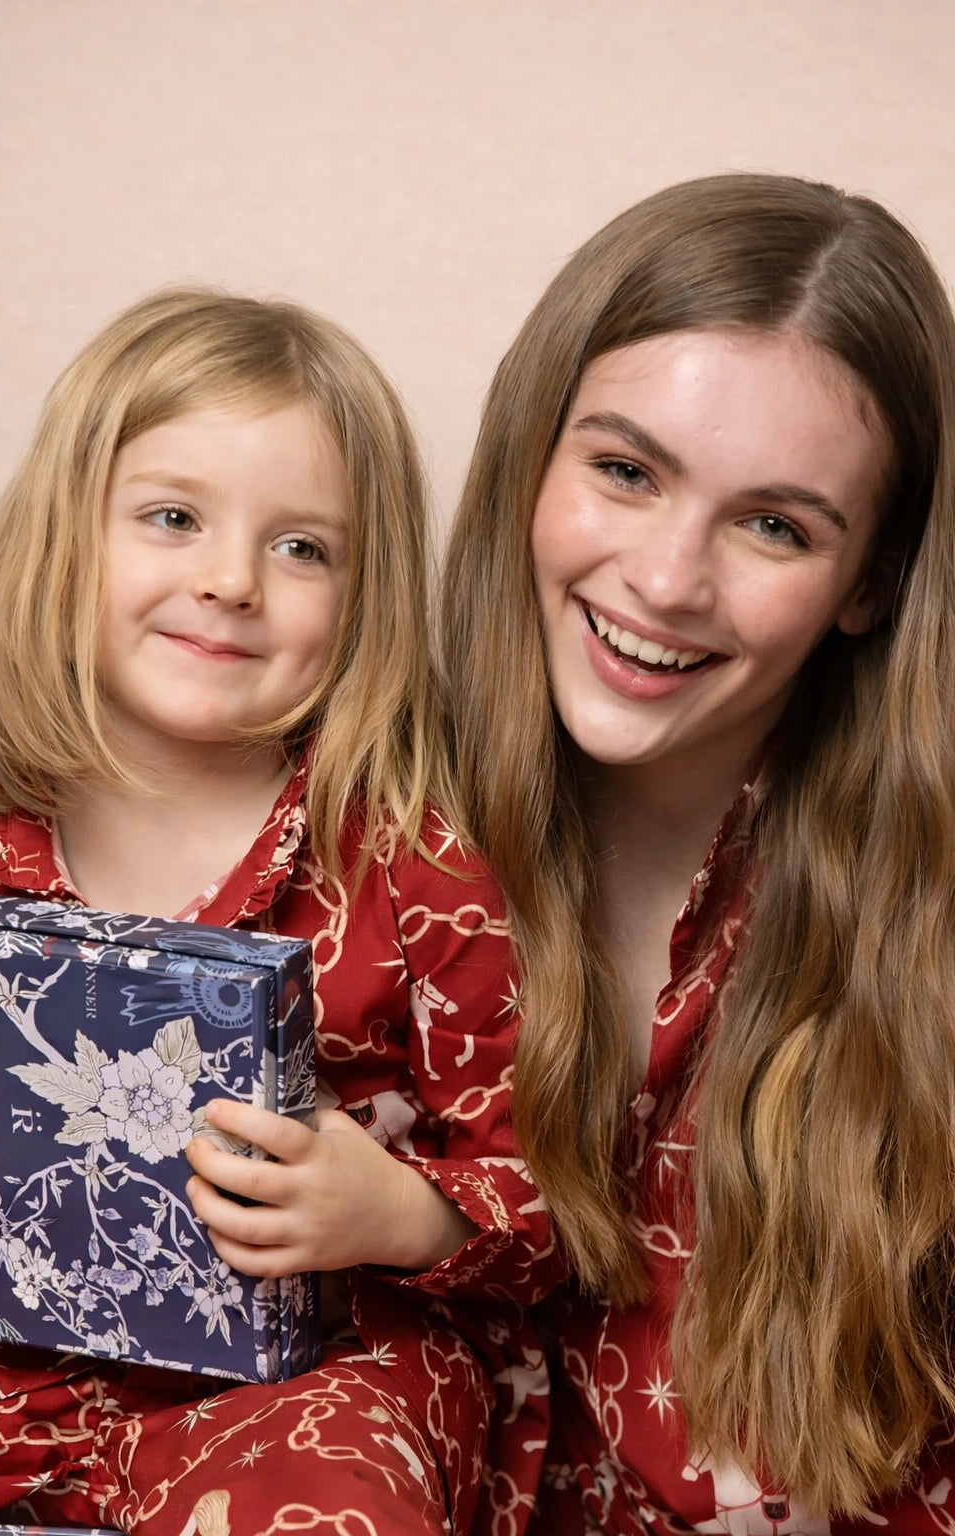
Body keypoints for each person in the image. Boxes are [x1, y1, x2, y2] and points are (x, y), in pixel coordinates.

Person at [0, 288, 558, 1536]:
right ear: (64, 538)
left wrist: (389, 1209)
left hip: (306, 1372)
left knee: (337, 1494)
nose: (229, 582)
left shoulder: (410, 859)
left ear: (363, 595)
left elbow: (546, 1187)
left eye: (302, 548)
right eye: (172, 518)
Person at [441, 173, 955, 1533]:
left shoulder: (933, 955)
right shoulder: (330, 835)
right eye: (625, 469)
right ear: (531, 455)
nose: (669, 581)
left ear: (869, 587)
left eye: (774, 525)